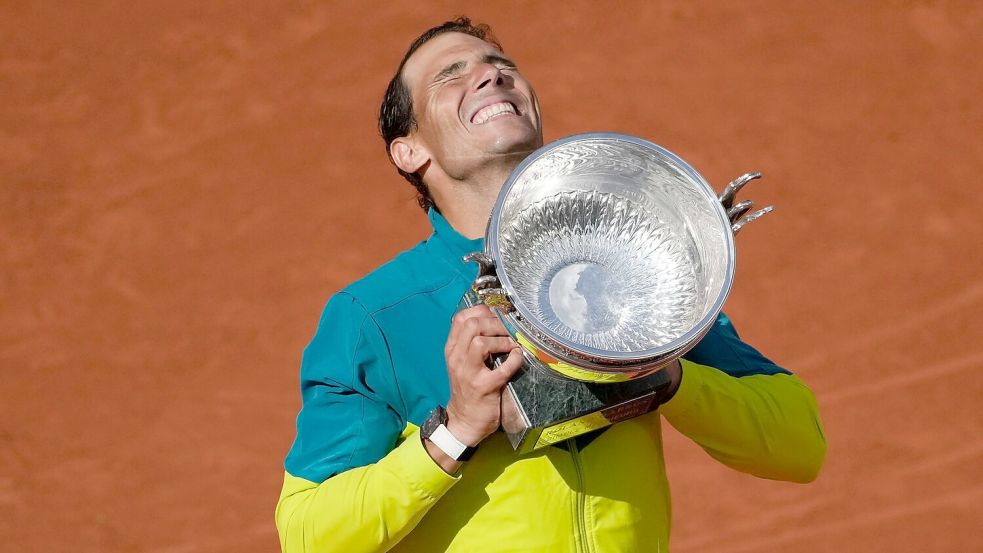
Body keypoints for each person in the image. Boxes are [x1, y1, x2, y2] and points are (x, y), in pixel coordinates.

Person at [275, 17, 826, 553]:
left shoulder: (620, 269)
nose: (491, 75)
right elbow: (307, 534)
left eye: (501, 64)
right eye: (451, 75)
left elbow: (800, 446)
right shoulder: (374, 315)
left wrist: (660, 371)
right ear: (410, 150)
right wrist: (457, 430)